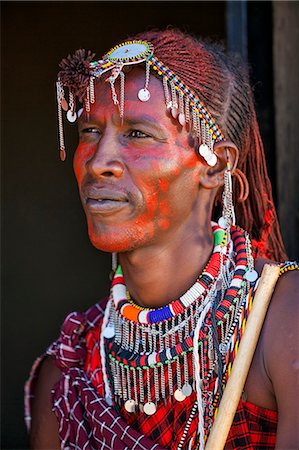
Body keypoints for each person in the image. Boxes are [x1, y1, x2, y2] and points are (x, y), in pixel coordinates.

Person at [25, 29, 298, 450]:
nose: (99, 163)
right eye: (89, 132)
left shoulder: (281, 321)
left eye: (137, 133)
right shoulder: (69, 371)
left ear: (214, 166)